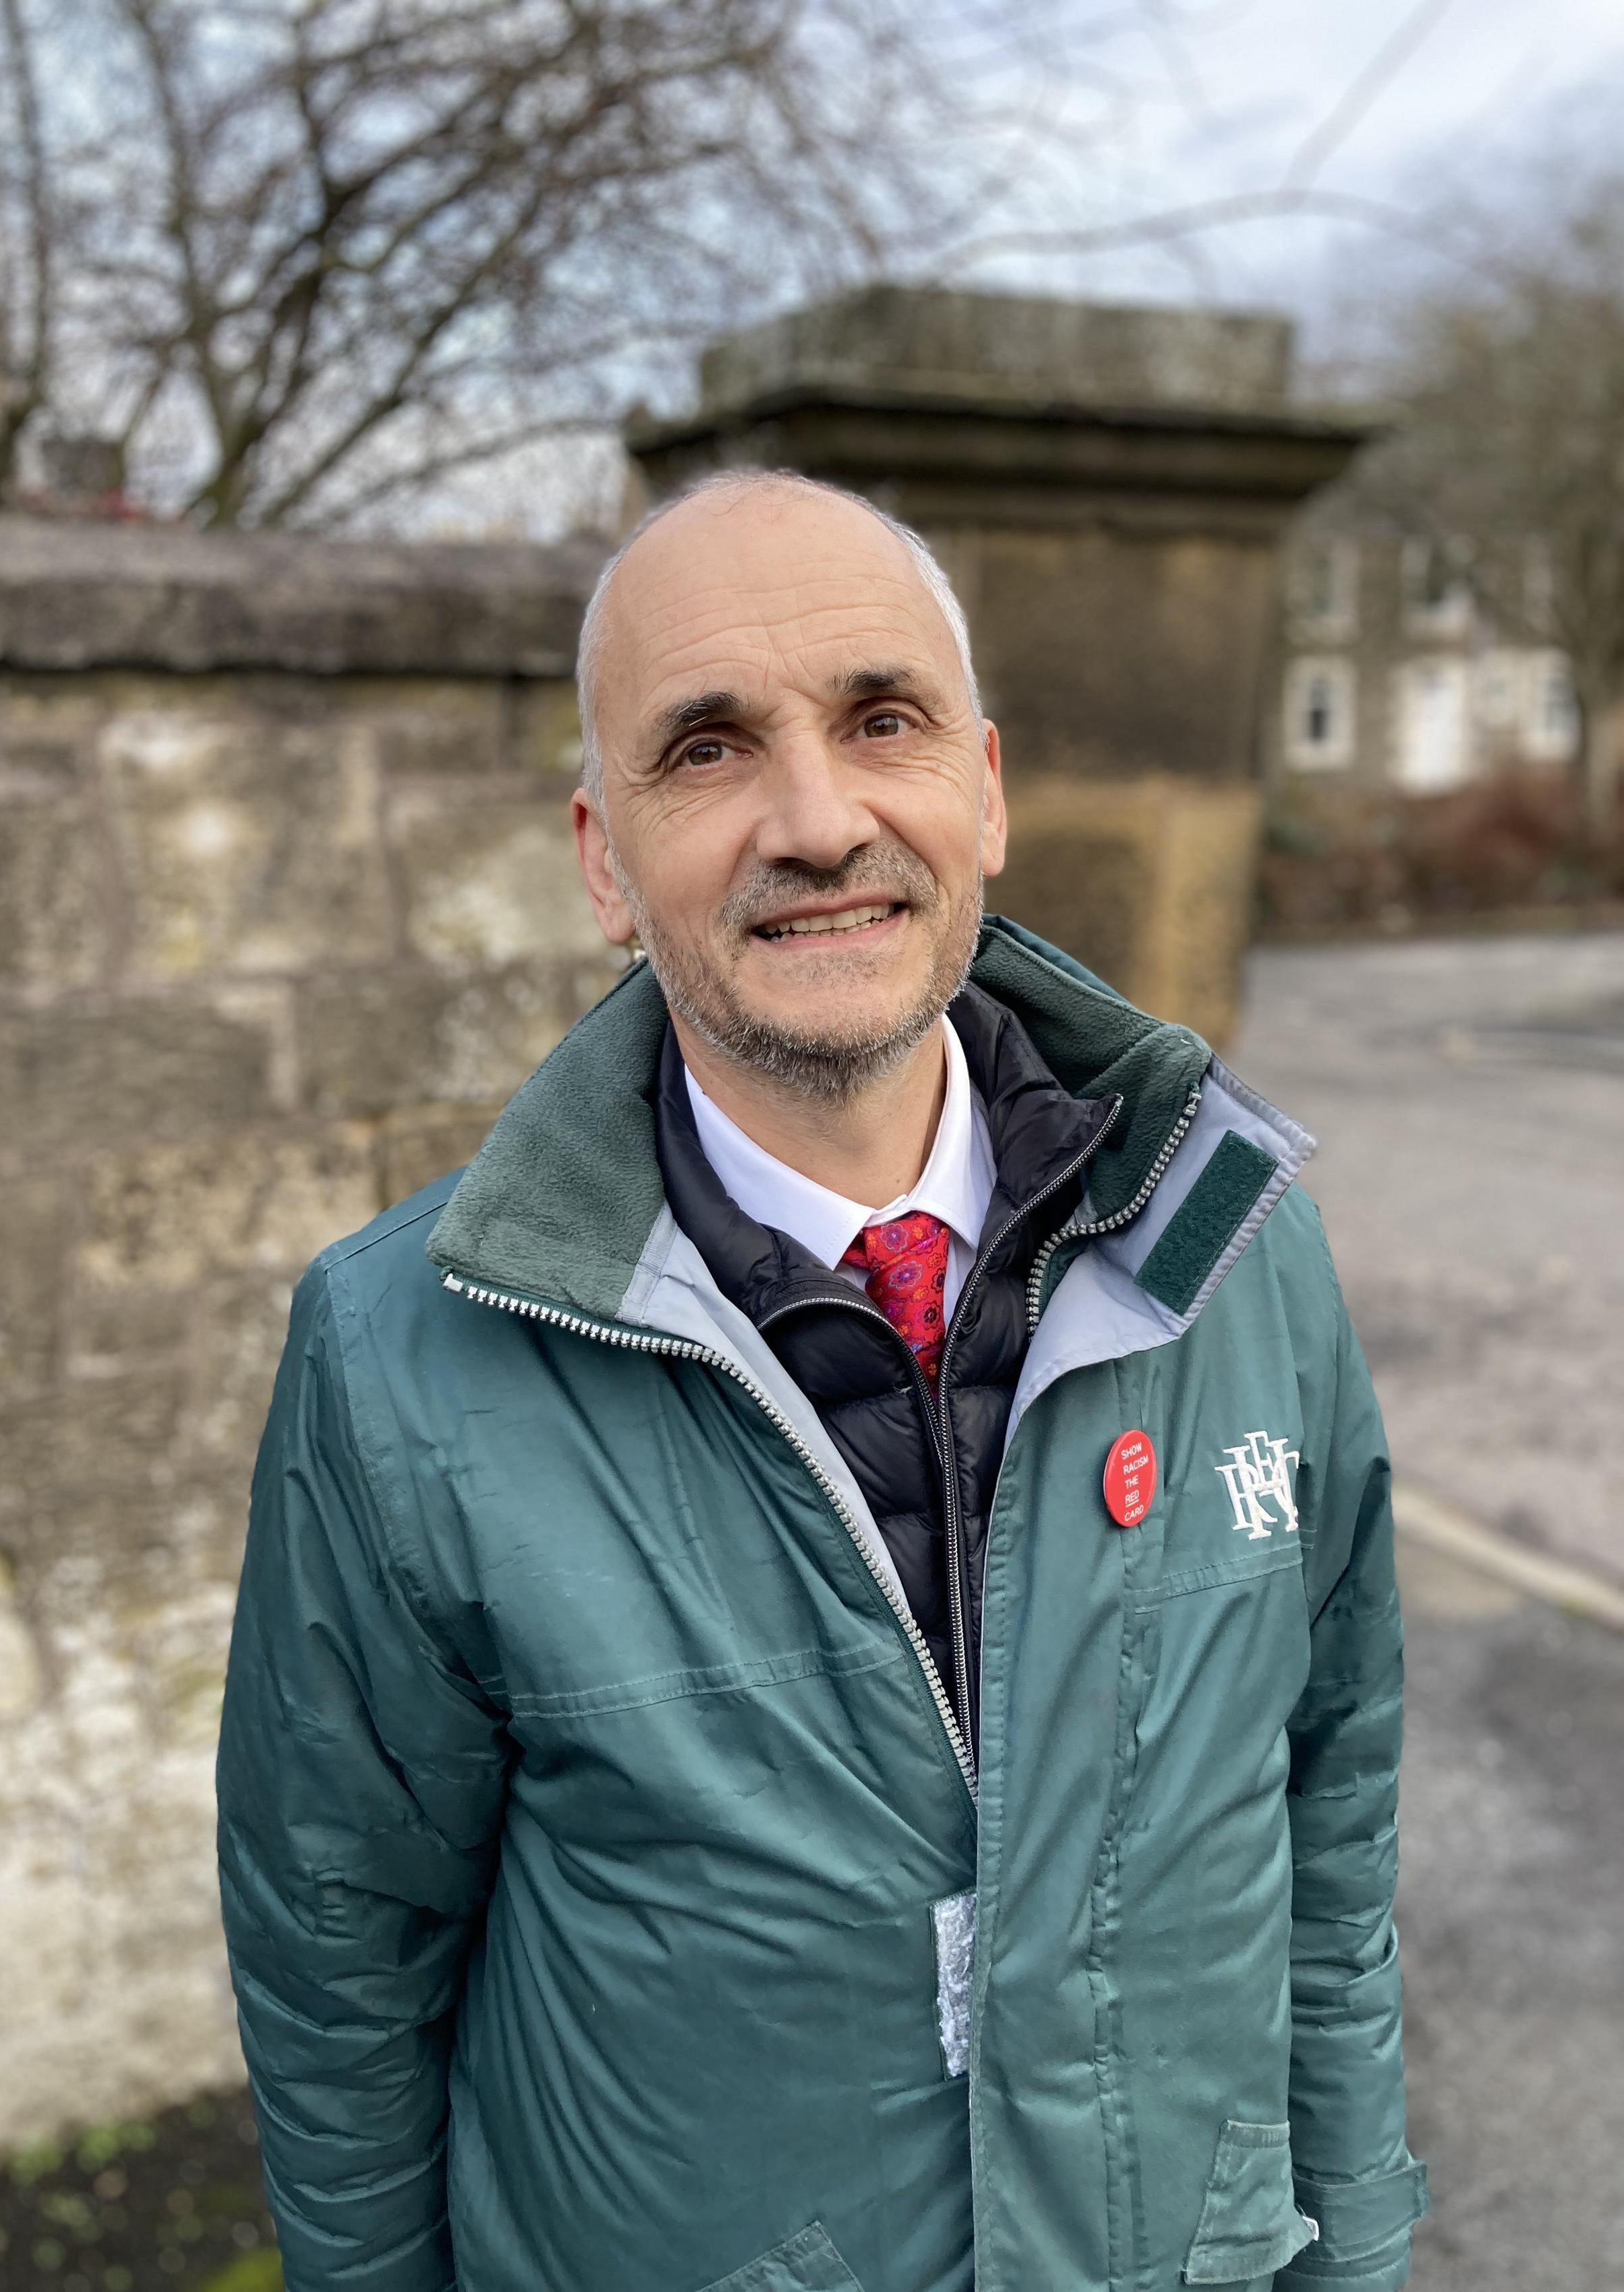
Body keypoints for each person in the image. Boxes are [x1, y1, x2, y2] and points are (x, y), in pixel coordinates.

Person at [216, 471, 1427, 2292]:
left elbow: (1329, 1842)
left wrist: (1360, 2259)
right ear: (604, 860)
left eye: (883, 721)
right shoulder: (399, 1358)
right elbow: (341, 1974)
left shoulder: (1244, 1251)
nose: (817, 817)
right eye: (707, 749)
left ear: (988, 790)